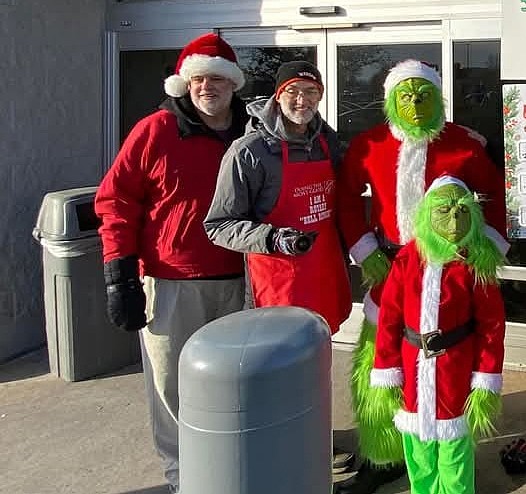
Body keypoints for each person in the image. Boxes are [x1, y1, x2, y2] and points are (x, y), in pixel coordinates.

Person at [338, 59, 507, 488]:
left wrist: (480, 253)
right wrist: (366, 250)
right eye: (406, 96)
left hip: (452, 268)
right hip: (388, 265)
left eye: (424, 95)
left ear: (439, 97)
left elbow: (497, 202)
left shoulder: (465, 145)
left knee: (452, 364)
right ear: (391, 101)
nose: (415, 104)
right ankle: (382, 455)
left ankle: (450, 453)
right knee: (380, 362)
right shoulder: (369, 144)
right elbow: (344, 198)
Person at [94, 33, 249, 494]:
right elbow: (115, 200)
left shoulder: (251, 133)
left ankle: (235, 465)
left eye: (219, 79)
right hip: (171, 280)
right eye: (200, 78)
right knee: (172, 388)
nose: (208, 87)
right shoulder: (155, 130)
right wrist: (118, 274)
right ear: (184, 83)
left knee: (235, 384)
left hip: (242, 278)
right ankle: (187, 477)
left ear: (233, 85)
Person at [362, 176, 507, 494]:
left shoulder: (476, 262)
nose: (454, 220)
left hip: (455, 370)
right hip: (412, 369)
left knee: (454, 457)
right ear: (428, 212)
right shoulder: (407, 258)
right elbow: (388, 319)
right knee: (419, 454)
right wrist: (386, 371)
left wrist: (486, 378)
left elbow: (492, 327)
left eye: (462, 211)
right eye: (444, 210)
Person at [204, 60, 351, 334]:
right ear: (277, 96)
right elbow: (219, 226)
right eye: (292, 90)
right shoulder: (249, 152)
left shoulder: (327, 143)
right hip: (276, 283)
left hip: (323, 275)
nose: (301, 100)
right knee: (278, 368)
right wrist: (273, 238)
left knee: (318, 366)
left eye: (310, 91)